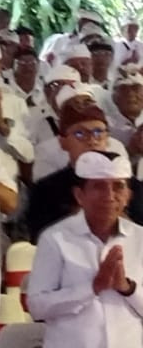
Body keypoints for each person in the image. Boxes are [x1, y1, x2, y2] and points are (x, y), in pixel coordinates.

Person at [25, 150, 143, 348]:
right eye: (99, 187)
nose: (109, 195)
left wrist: (126, 287)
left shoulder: (141, 240)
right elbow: (37, 305)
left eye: (118, 186)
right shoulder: (56, 239)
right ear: (80, 194)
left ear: (128, 194)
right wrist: (91, 288)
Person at [27, 92, 143, 241]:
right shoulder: (45, 191)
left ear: (107, 139)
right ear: (63, 142)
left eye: (98, 132)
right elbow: (40, 241)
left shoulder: (133, 187)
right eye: (80, 133)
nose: (92, 140)